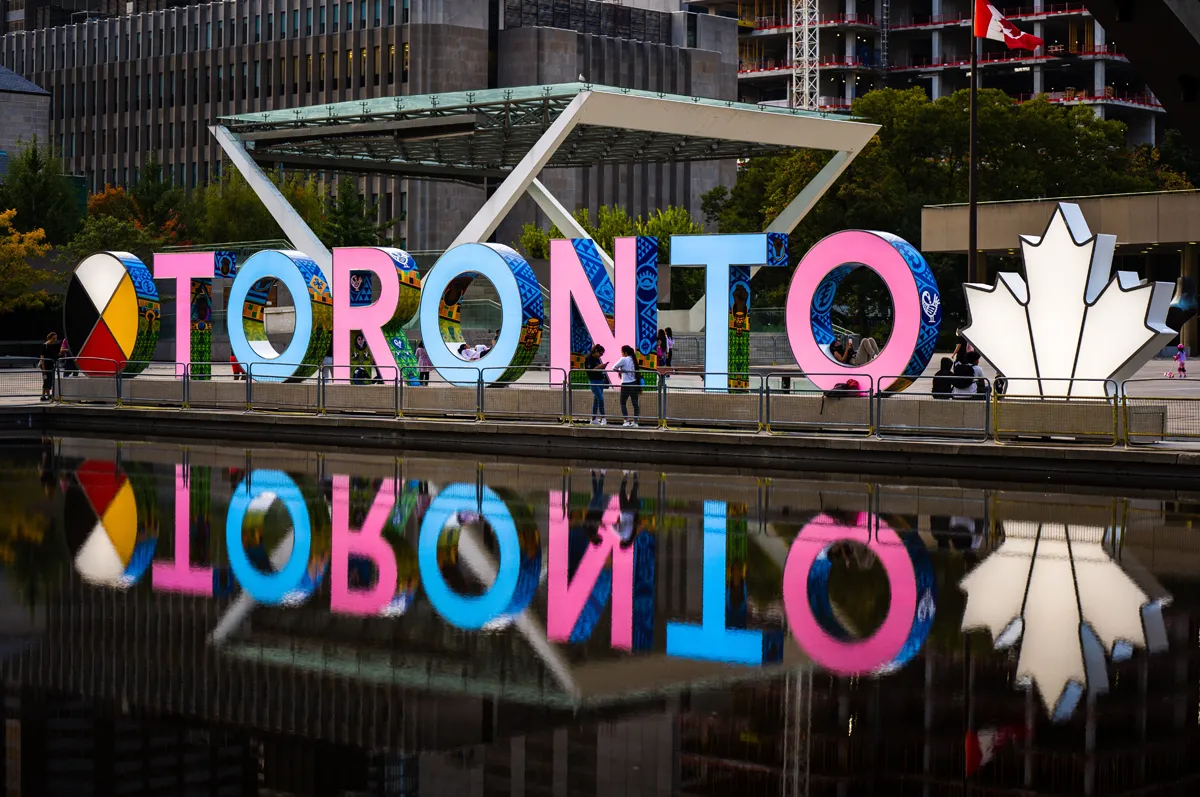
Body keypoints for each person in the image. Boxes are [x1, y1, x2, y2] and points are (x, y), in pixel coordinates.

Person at [614, 345, 640, 427]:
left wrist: (621, 370)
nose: (621, 354)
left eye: (622, 352)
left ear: (625, 353)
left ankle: (626, 421)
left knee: (623, 403)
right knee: (635, 403)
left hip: (625, 384)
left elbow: (614, 367)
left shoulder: (623, 359)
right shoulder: (633, 359)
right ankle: (635, 422)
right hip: (634, 383)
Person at [583, 344, 608, 424]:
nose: (600, 356)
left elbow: (597, 369)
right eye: (600, 354)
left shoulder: (597, 359)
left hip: (600, 380)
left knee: (596, 400)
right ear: (596, 351)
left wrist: (602, 367)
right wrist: (599, 367)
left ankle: (593, 418)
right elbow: (590, 370)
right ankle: (603, 417)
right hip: (594, 381)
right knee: (600, 399)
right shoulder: (589, 359)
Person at [38, 332, 60, 401]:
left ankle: (48, 394)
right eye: (53, 338)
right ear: (49, 338)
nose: (55, 340)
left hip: (51, 366)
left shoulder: (54, 346)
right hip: (45, 366)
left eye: (56, 338)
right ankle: (43, 395)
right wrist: (43, 369)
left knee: (50, 380)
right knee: (46, 380)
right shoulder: (45, 345)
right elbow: (42, 358)